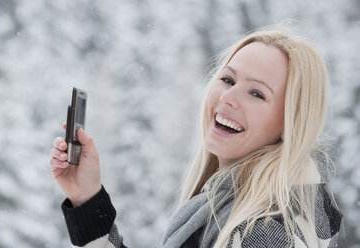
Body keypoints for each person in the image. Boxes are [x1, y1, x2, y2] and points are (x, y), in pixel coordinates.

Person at [49, 28, 342, 248]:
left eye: (257, 93)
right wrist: (87, 198)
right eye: (227, 79)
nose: (228, 97)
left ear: (289, 124)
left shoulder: (264, 233)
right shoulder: (228, 209)